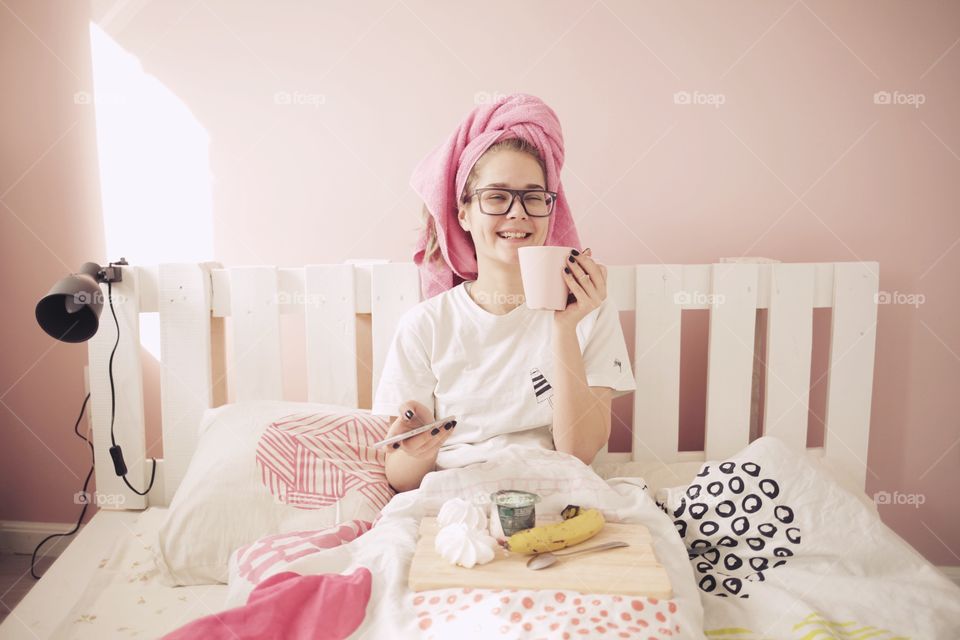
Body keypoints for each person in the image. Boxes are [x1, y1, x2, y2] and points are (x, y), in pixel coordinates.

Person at [371, 94, 636, 492]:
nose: (518, 213)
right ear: (463, 213)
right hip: (455, 498)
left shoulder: (589, 311)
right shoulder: (424, 326)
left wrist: (564, 328)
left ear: (551, 208)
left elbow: (578, 453)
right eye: (496, 197)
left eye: (533, 197)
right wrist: (416, 452)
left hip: (558, 491)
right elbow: (400, 481)